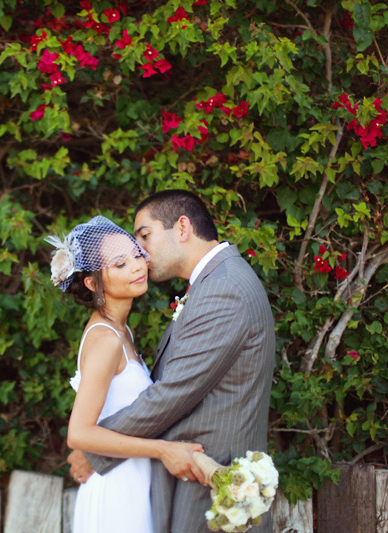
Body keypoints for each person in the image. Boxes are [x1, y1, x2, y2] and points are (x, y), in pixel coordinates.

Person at [67, 191, 276, 532]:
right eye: (125, 257)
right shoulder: (214, 284)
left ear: (182, 227)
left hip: (209, 474)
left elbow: (172, 393)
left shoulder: (224, 288)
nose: (141, 256)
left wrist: (95, 451)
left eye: (144, 237)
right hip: (151, 481)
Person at [46, 216, 205, 533]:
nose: (137, 266)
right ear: (93, 283)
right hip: (115, 492)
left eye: (136, 255)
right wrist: (164, 450)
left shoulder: (121, 331)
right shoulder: (105, 340)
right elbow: (79, 434)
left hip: (132, 482)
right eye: (120, 264)